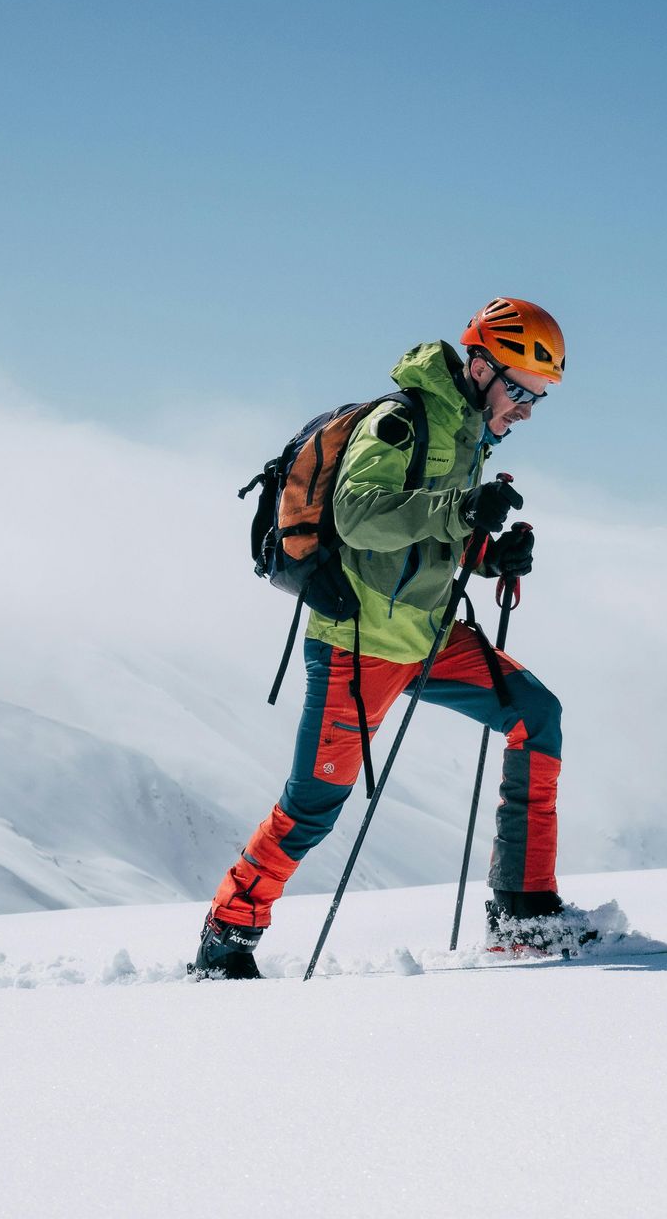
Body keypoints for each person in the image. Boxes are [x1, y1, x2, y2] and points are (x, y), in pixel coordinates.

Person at [194, 297, 587, 979]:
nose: (526, 408)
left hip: (429, 639)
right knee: (313, 805)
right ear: (481, 366)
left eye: (539, 398)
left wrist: (491, 556)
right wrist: (458, 509)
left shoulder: (468, 435)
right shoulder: (402, 422)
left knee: (537, 715)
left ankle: (523, 909)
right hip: (359, 644)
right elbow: (358, 519)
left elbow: (428, 544)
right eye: (522, 390)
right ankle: (228, 933)